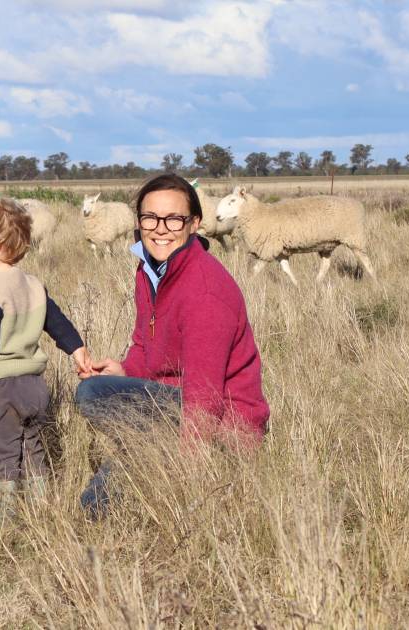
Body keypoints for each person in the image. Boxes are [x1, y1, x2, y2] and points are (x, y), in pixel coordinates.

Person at [77, 173, 269, 517]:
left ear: (193, 224)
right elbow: (143, 342)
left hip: (225, 425)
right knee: (95, 505)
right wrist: (125, 370)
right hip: (172, 403)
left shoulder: (204, 292)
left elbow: (205, 393)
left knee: (91, 395)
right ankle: (142, 457)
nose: (160, 228)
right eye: (150, 218)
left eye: (174, 219)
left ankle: (158, 455)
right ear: (138, 222)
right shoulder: (150, 270)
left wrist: (189, 475)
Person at [0, 198, 93, 515]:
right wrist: (77, 348)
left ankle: (5, 518)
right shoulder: (32, 285)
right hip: (34, 387)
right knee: (34, 448)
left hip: (1, 389)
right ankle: (42, 508)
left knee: (3, 454)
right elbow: (56, 322)